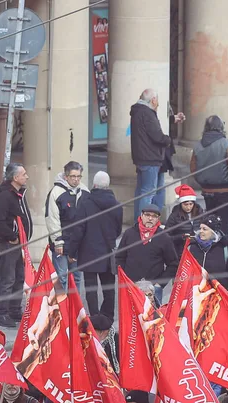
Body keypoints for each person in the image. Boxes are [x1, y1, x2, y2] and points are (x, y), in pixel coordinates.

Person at [188, 115, 228, 234]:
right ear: (221, 127)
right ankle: (222, 250)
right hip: (225, 192)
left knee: (210, 224)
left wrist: (203, 181)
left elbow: (193, 169)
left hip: (207, 191)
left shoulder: (198, 146)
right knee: (223, 226)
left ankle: (212, 250)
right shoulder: (226, 144)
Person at [130, 89, 183, 214]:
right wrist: (168, 140)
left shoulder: (138, 111)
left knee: (142, 191)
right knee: (148, 192)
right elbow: (156, 135)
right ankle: (142, 224)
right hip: (150, 157)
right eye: (157, 100)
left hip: (143, 157)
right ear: (153, 100)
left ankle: (140, 222)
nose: (158, 103)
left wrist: (172, 119)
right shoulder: (147, 113)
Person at [77, 171, 122, 317]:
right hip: (108, 251)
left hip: (88, 251)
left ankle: (95, 316)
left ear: (94, 185)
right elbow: (118, 230)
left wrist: (72, 252)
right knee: (109, 287)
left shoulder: (85, 204)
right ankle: (108, 315)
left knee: (91, 288)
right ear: (107, 185)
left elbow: (79, 229)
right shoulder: (117, 205)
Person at [0, 163, 32, 327]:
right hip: (10, 244)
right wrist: (11, 236)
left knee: (19, 278)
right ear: (15, 178)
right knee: (8, 279)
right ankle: (2, 314)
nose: (26, 176)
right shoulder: (6, 195)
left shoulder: (18, 193)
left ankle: (15, 310)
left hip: (20, 245)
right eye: (24, 174)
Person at [45, 161, 87, 286]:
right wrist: (57, 241)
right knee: (61, 278)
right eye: (73, 176)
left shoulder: (84, 191)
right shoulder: (56, 192)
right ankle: (62, 305)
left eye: (78, 176)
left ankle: (76, 306)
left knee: (77, 278)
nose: (76, 180)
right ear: (66, 176)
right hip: (61, 243)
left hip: (78, 243)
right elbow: (52, 219)